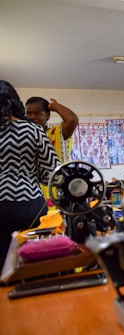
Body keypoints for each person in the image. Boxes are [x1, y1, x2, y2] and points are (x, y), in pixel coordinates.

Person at [0, 81, 60, 270]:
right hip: (30, 205)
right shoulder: (34, 130)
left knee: (2, 265)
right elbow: (53, 174)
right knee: (35, 264)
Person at [25, 96, 78, 163]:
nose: (32, 117)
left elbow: (72, 120)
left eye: (37, 113)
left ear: (48, 116)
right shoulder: (23, 135)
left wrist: (56, 106)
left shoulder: (56, 132)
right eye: (29, 113)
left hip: (57, 173)